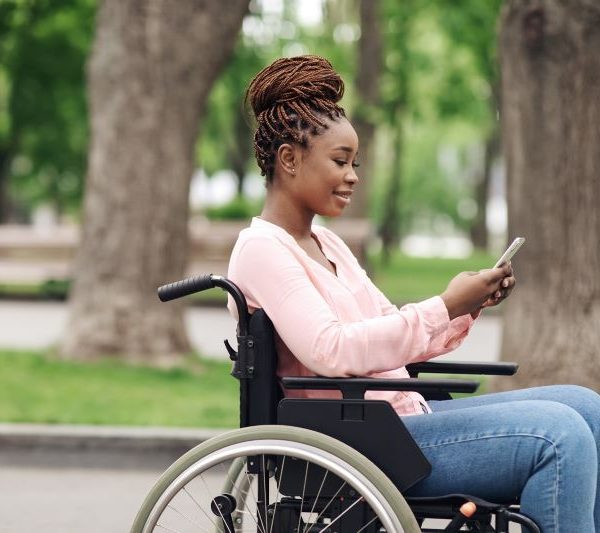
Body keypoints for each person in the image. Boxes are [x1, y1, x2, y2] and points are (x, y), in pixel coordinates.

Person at [227, 55, 600, 532]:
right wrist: (444, 305)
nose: (353, 175)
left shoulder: (327, 244)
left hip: (396, 419)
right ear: (290, 159)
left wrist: (464, 306)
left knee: (585, 406)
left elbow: (389, 330)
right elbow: (331, 349)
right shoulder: (262, 249)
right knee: (560, 436)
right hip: (357, 440)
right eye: (340, 161)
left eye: (354, 163)